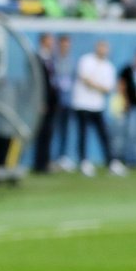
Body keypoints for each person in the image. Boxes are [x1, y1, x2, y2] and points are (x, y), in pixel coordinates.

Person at [70, 39, 125, 177]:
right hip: (82, 104)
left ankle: (111, 161)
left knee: (104, 134)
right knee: (83, 134)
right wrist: (97, 85)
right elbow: (85, 80)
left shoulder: (109, 66)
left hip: (97, 106)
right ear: (97, 47)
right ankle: (84, 162)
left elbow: (108, 88)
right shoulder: (86, 60)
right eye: (101, 47)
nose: (103, 50)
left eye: (105, 48)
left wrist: (95, 84)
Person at [32, 32, 59, 173]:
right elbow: (37, 82)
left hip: (52, 102)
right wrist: (40, 100)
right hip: (42, 102)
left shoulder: (50, 58)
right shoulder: (37, 58)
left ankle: (46, 162)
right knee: (42, 133)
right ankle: (40, 164)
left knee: (48, 133)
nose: (52, 43)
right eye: (49, 40)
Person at [51, 34, 75, 170]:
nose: (66, 47)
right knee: (53, 130)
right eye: (63, 44)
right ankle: (52, 157)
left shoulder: (71, 60)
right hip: (56, 101)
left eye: (68, 45)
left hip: (67, 101)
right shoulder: (54, 60)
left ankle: (63, 157)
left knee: (65, 130)